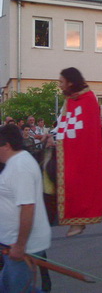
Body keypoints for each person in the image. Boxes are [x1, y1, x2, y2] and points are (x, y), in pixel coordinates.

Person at [55, 67, 102, 237]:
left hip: (82, 150)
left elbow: (86, 129)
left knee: (71, 176)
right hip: (65, 143)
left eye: (61, 82)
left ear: (70, 82)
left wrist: (63, 140)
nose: (59, 85)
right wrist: (52, 136)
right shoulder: (69, 101)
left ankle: (79, 219)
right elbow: (63, 124)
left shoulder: (88, 98)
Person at [0, 124, 51, 292]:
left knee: (19, 289)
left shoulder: (20, 166)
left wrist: (20, 246)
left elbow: (28, 207)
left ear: (7, 145)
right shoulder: (14, 162)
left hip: (22, 246)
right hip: (10, 243)